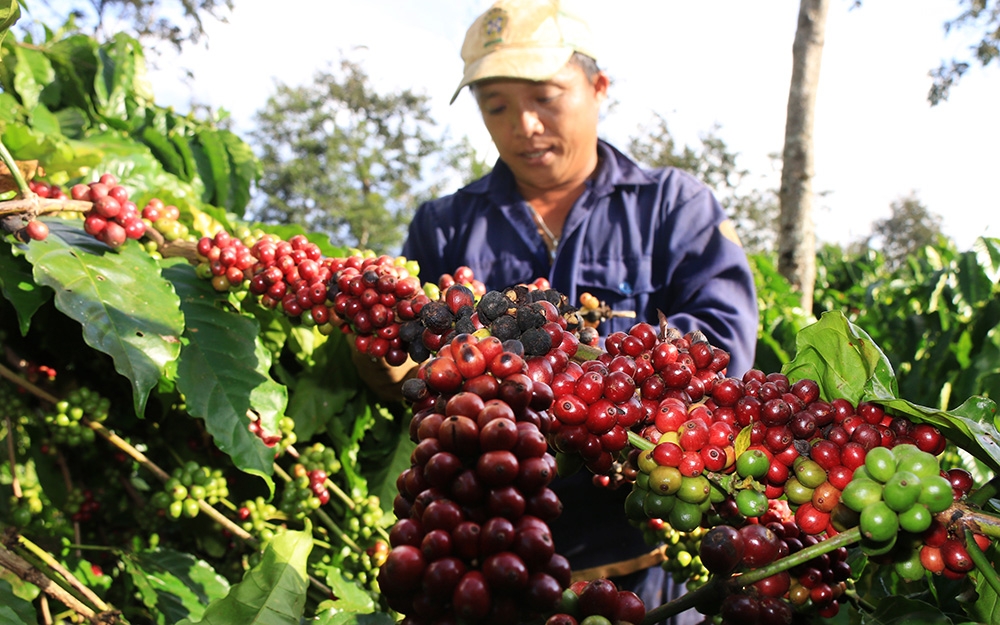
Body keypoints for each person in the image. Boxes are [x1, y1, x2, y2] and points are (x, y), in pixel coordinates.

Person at [399, 0, 759, 622]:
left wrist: (570, 388)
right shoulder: (444, 225)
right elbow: (414, 367)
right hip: (489, 556)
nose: (526, 126)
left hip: (648, 565)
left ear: (597, 87)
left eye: (545, 96)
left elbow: (720, 350)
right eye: (497, 107)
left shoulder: (673, 207)